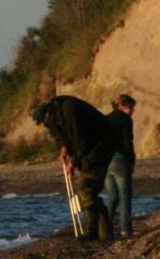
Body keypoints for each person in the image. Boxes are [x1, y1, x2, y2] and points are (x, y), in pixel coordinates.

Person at [32, 95, 116, 240]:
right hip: (89, 148)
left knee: (86, 187)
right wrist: (64, 149)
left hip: (101, 145)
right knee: (89, 191)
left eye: (45, 124)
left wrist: (72, 164)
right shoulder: (55, 117)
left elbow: (80, 140)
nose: (46, 127)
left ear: (47, 116)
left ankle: (92, 232)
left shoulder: (69, 110)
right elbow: (62, 136)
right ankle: (105, 233)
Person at [103, 94, 137, 238]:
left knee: (112, 197)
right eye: (131, 107)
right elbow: (127, 140)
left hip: (105, 160)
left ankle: (105, 228)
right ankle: (125, 231)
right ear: (122, 106)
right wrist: (132, 159)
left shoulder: (105, 118)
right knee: (125, 197)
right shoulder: (125, 119)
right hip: (120, 158)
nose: (132, 111)